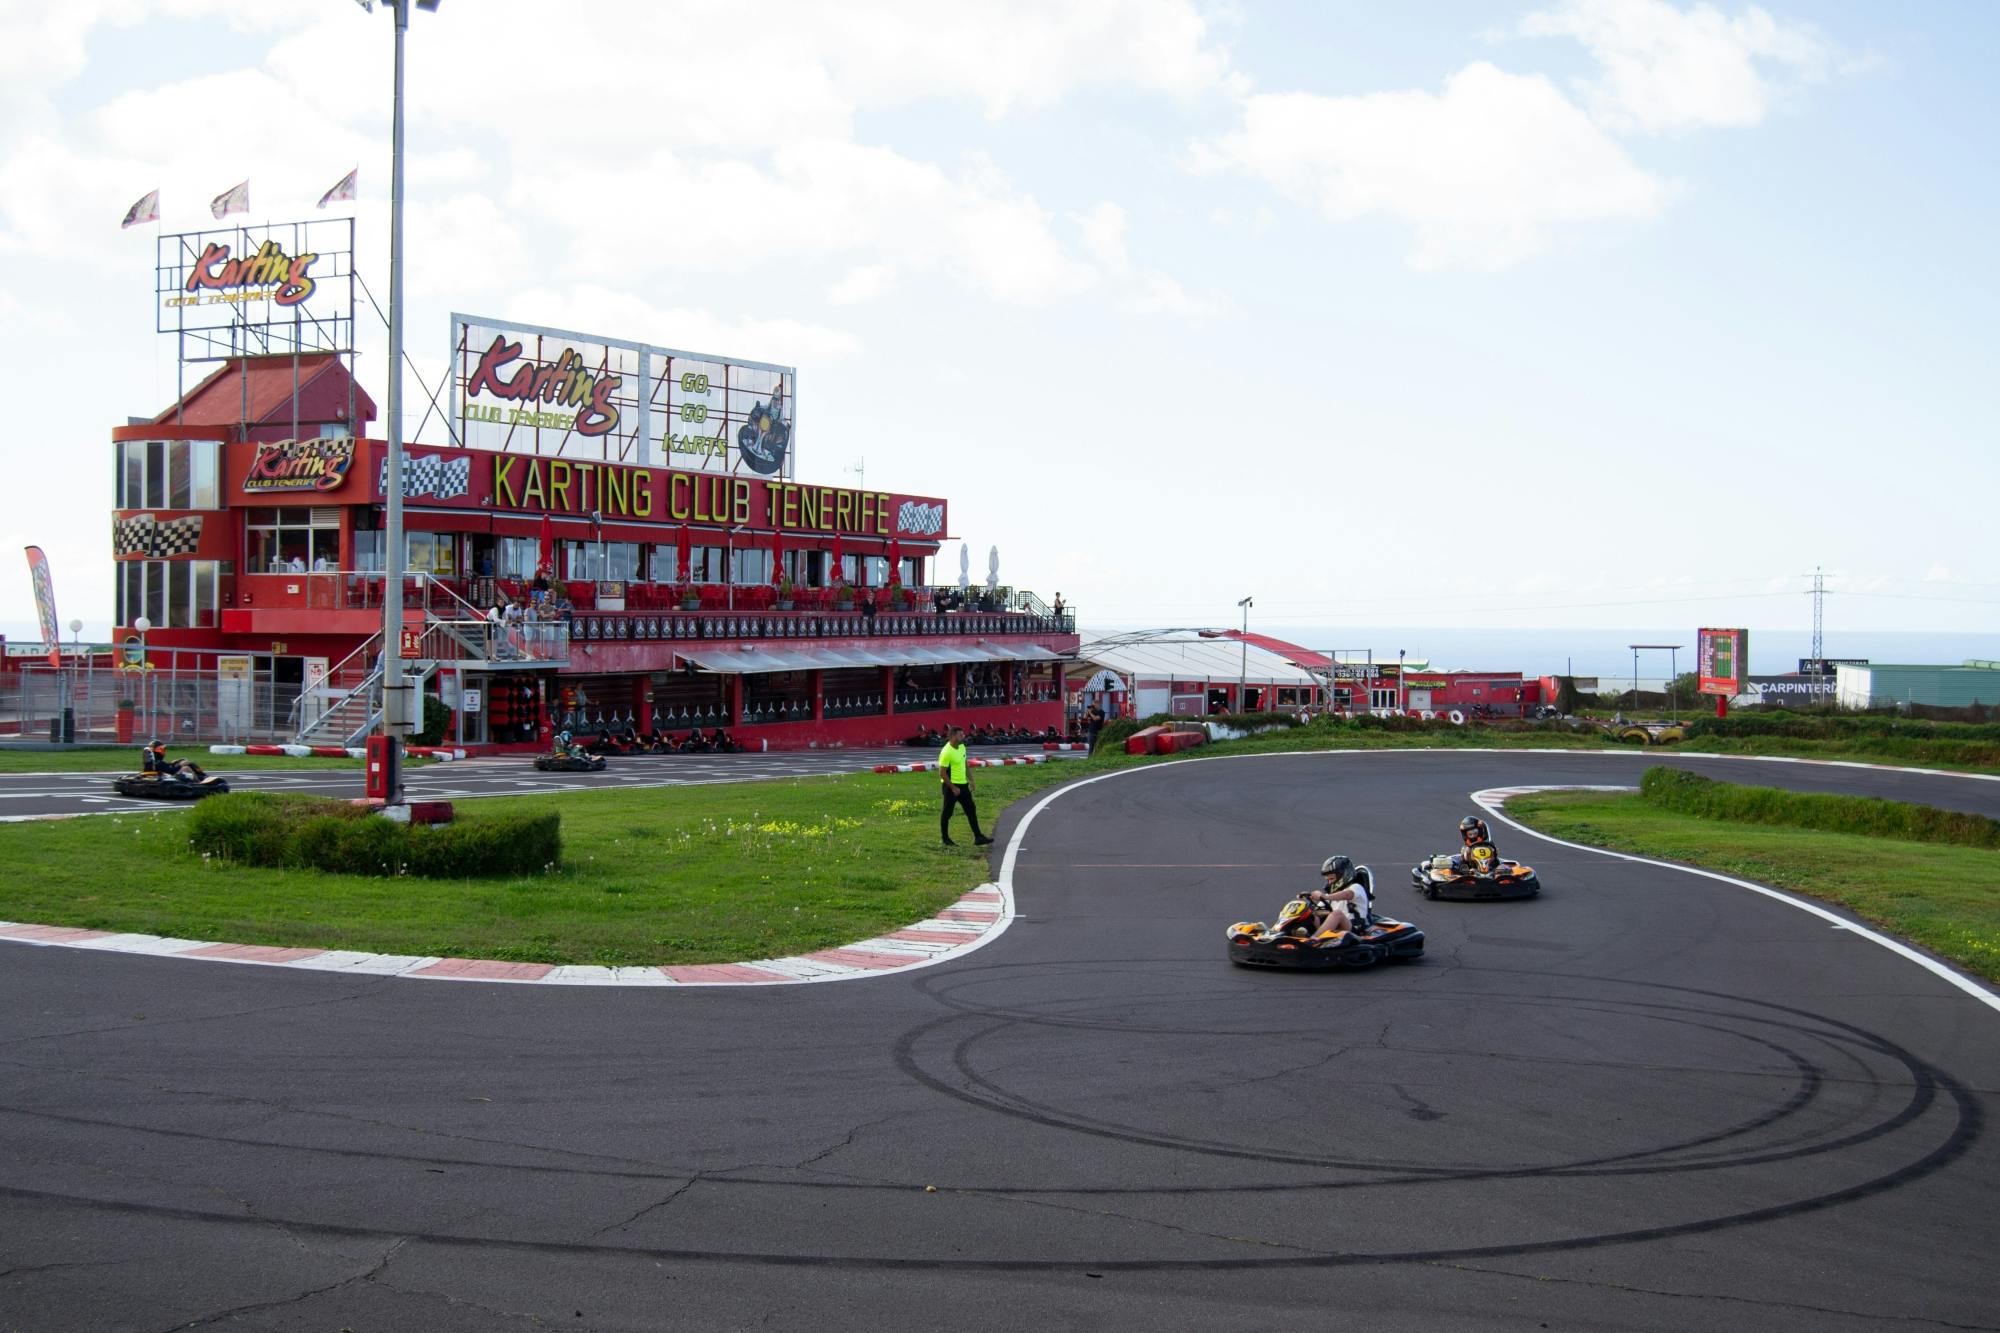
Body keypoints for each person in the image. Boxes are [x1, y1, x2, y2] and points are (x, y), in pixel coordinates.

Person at [937, 725, 992, 847]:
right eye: (960, 735)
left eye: (963, 734)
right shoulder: (946, 752)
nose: (963, 736)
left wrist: (971, 780)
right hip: (950, 787)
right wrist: (952, 787)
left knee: (971, 810)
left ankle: (978, 837)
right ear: (953, 736)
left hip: (963, 785)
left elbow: (965, 764)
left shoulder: (962, 747)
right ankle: (945, 839)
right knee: (947, 813)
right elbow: (942, 773)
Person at [1302, 854, 1371, 935]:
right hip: (1335, 930)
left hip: (1354, 930)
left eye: (1331, 879)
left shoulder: (1356, 887)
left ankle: (1314, 940)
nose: (1329, 882)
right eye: (1327, 879)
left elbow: (1347, 894)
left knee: (1337, 914)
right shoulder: (1331, 894)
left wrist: (1325, 896)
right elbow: (1320, 911)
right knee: (1311, 914)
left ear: (1344, 875)